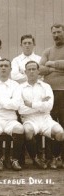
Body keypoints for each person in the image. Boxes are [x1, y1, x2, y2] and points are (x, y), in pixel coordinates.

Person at [18, 61, 64, 169]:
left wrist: (31, 104)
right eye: (29, 69)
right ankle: (36, 158)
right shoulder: (20, 88)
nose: (32, 71)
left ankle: (55, 157)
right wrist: (41, 104)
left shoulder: (46, 86)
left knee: (60, 133)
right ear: (25, 72)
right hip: (29, 119)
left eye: (34, 69)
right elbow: (21, 109)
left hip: (45, 118)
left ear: (38, 71)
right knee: (28, 131)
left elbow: (49, 106)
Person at [0, 58, 24, 171]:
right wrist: (8, 102)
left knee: (20, 129)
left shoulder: (15, 85)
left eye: (6, 66)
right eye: (1, 65)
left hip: (11, 119)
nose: (3, 68)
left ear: (10, 69)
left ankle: (14, 159)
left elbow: (16, 105)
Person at [39, 23, 64, 168]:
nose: (56, 35)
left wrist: (52, 64)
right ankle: (52, 157)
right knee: (51, 125)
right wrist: (58, 67)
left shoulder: (50, 56)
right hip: (50, 92)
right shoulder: (47, 51)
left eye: (59, 32)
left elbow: (46, 66)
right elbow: (40, 69)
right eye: (54, 32)